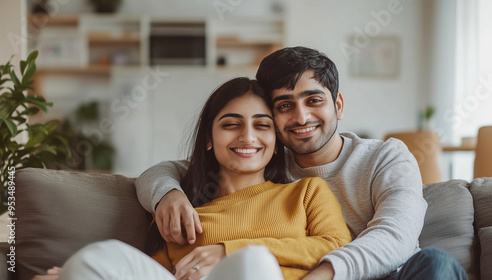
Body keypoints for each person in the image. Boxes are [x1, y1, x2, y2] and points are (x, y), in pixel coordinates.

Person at [136, 47, 467, 280]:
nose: (301, 117)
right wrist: (168, 194)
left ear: (338, 105)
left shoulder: (386, 157)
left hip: (388, 276)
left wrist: (323, 274)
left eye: (314, 100)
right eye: (284, 105)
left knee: (436, 263)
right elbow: (171, 169)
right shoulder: (265, 161)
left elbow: (395, 236)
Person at [33, 77, 351, 280]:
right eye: (231, 124)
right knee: (98, 256)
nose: (248, 137)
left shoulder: (307, 192)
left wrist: (229, 249)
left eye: (262, 125)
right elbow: (157, 272)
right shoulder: (182, 212)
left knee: (253, 261)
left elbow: (336, 245)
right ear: (209, 138)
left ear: (276, 138)